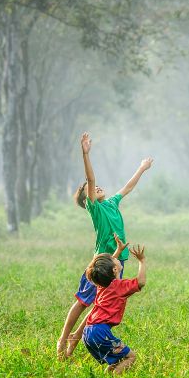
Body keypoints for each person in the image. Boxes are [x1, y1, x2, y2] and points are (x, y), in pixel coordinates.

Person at [57, 131, 153, 358]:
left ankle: (73, 344)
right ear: (86, 198)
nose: (96, 187)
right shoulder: (95, 208)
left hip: (117, 261)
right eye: (89, 189)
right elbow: (90, 179)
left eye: (96, 186)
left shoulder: (111, 203)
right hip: (101, 262)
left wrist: (141, 168)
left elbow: (127, 187)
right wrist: (85, 154)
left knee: (100, 304)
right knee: (83, 302)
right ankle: (63, 340)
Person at [82, 237, 147, 374]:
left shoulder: (102, 284)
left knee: (118, 359)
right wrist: (142, 261)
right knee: (131, 357)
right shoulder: (120, 286)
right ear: (115, 269)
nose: (116, 258)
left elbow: (105, 269)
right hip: (100, 332)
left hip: (88, 332)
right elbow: (140, 282)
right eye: (115, 259)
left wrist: (118, 251)